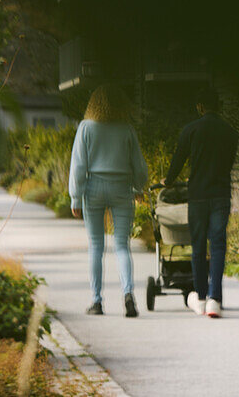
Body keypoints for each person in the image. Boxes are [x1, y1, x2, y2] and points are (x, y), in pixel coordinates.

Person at [68, 84, 148, 318]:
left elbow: (78, 165)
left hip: (93, 187)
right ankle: (128, 295)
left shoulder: (86, 127)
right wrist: (138, 187)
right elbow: (139, 165)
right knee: (122, 245)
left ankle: (96, 301)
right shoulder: (126, 129)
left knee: (96, 246)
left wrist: (76, 197)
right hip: (122, 188)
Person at [164, 86, 238, 318]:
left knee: (198, 247)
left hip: (197, 195)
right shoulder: (230, 132)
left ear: (200, 107)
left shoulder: (191, 130)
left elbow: (178, 159)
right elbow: (229, 162)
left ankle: (201, 296)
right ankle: (215, 300)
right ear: (219, 106)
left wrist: (168, 181)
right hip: (220, 194)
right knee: (217, 245)